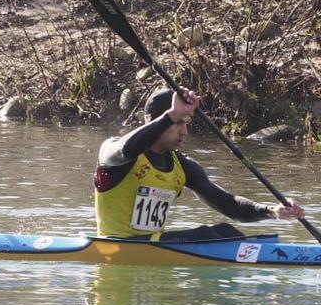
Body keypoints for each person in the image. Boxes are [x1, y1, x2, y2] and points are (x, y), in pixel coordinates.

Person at [94, 87, 304, 241]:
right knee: (206, 234)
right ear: (157, 122)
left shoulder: (182, 166)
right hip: (117, 245)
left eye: (186, 123)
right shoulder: (113, 152)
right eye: (178, 123)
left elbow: (228, 204)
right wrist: (171, 115)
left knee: (225, 231)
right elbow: (125, 149)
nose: (185, 132)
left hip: (152, 245)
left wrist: (271, 211)